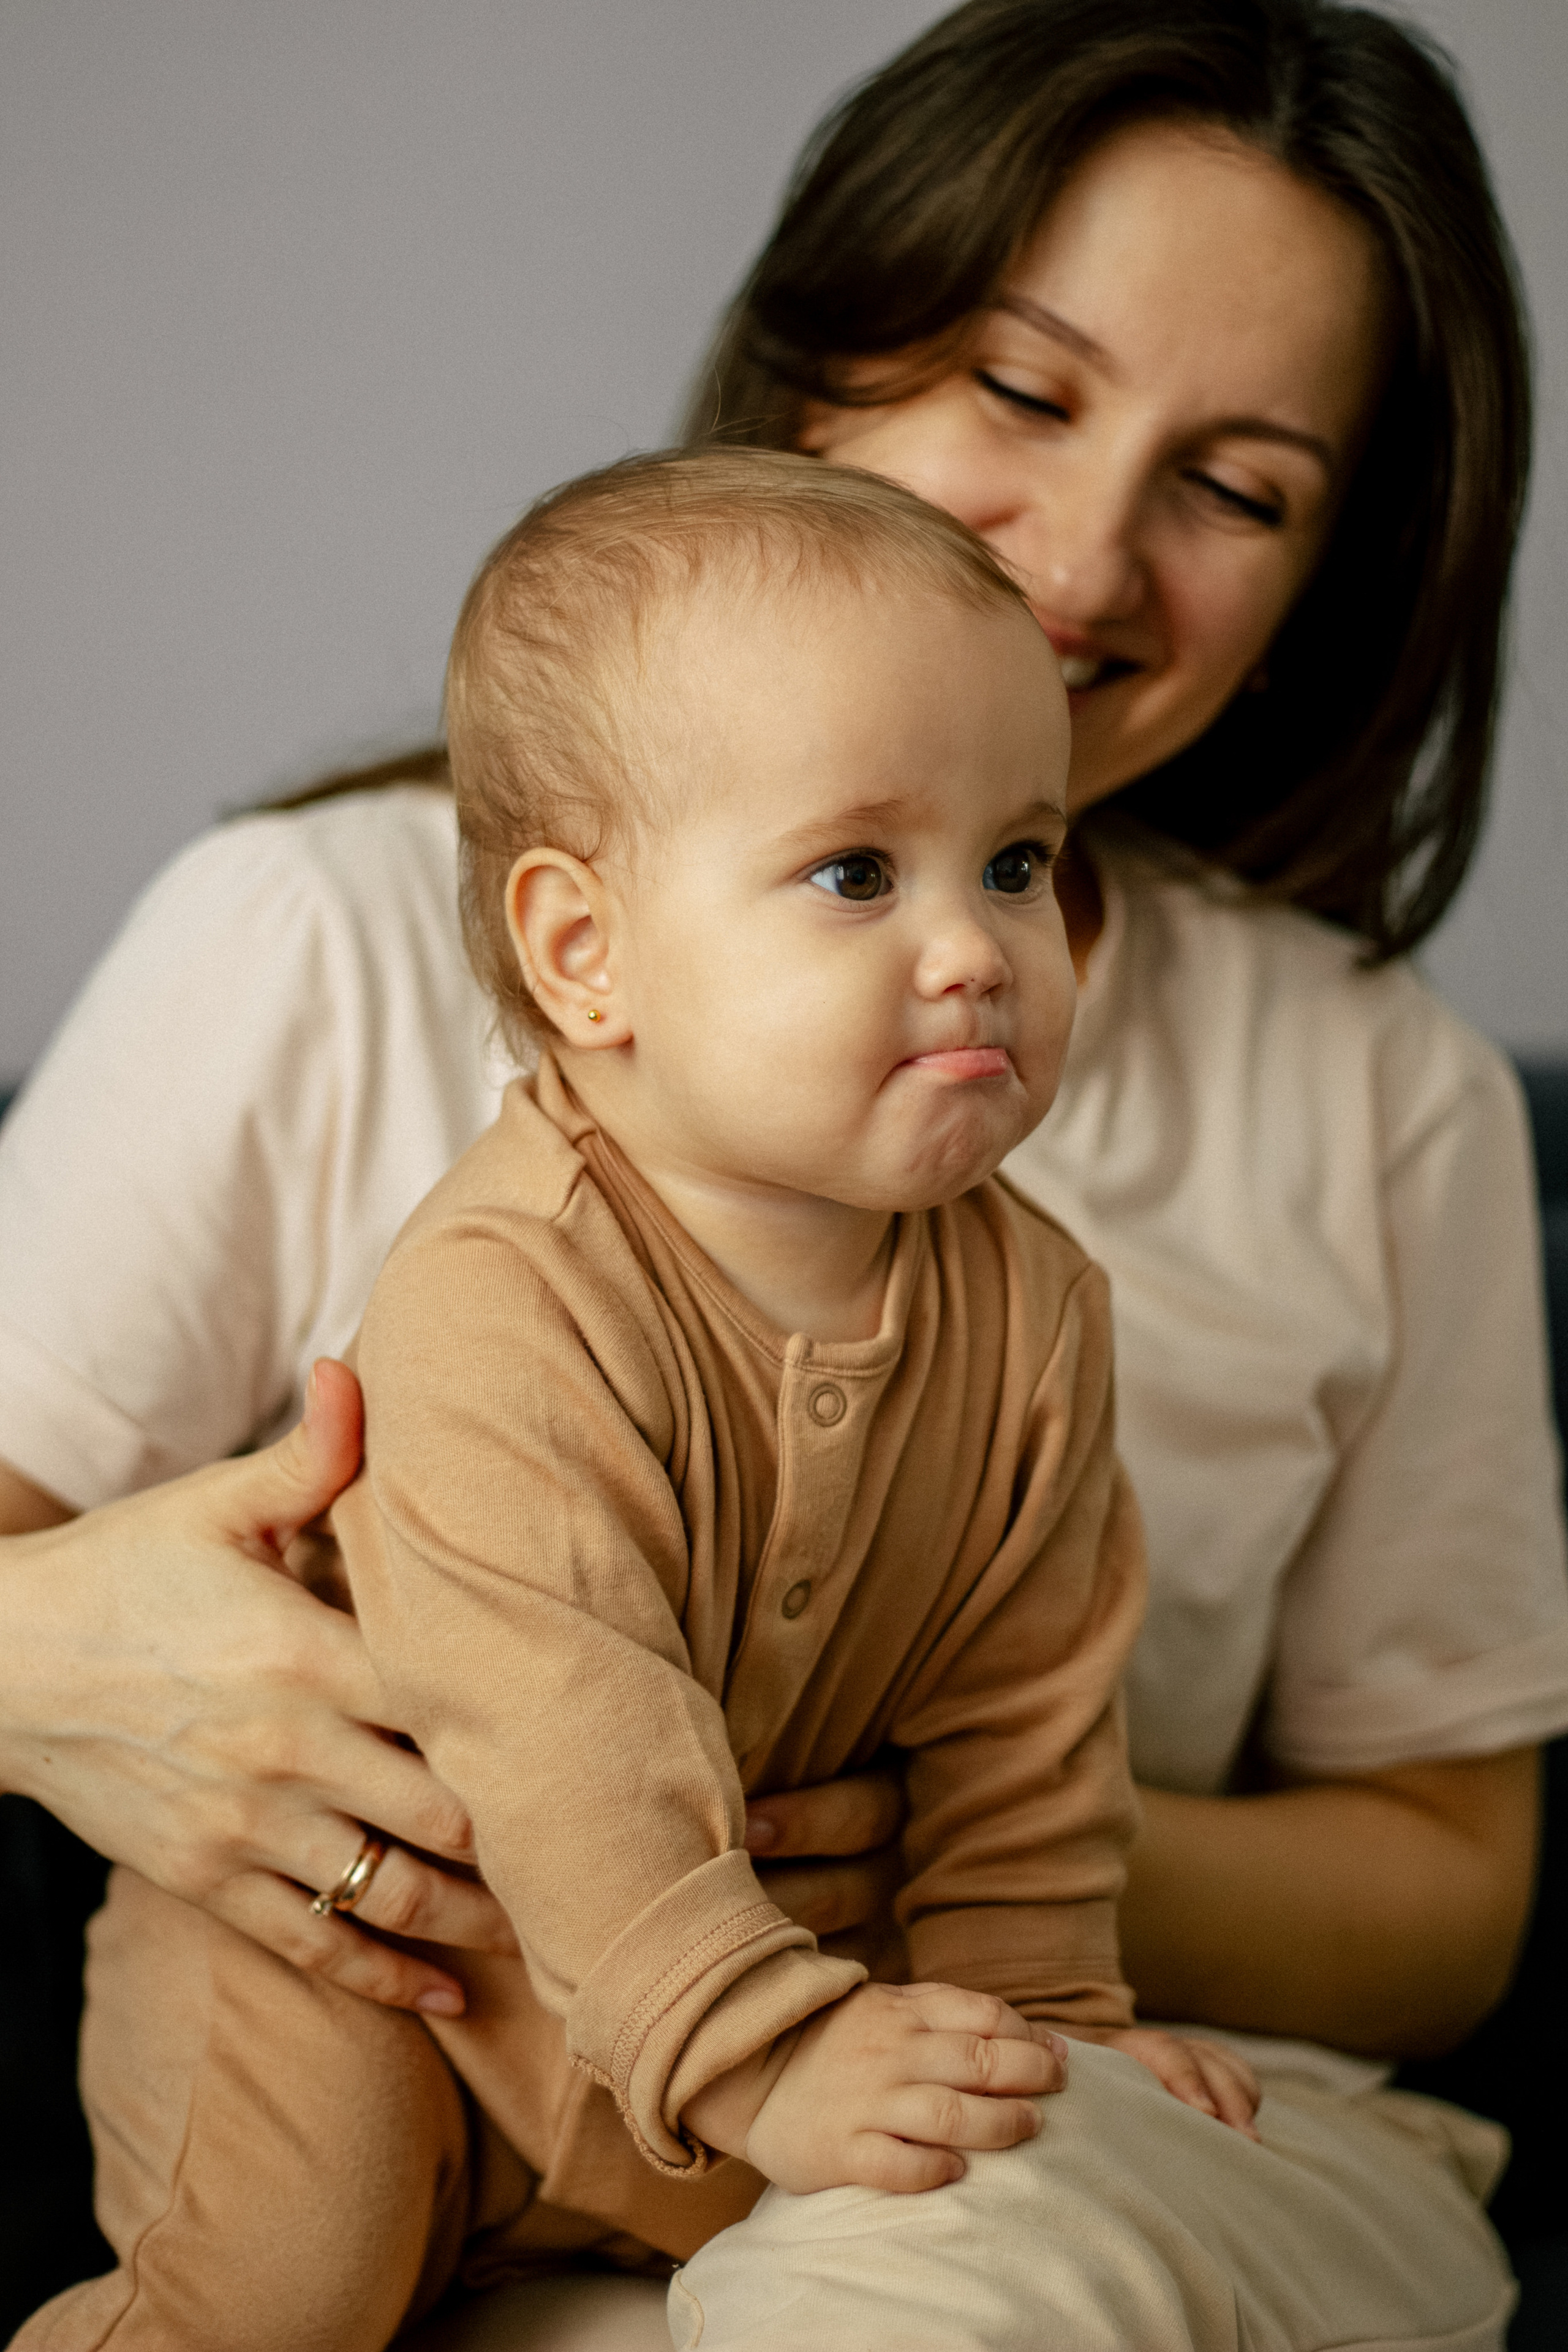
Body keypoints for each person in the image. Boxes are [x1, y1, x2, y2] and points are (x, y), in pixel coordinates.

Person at [0, 1, 1562, 2345]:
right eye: (1022, 391)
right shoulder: (338, 985)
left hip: (1039, 2143)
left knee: (909, 2274)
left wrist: (967, 1927)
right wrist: (58, 1659)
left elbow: (1415, 1875)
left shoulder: (1334, 1118)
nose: (1086, 546)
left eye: (1238, 486)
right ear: (827, 357)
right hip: (488, 2045)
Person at [23, 447, 1264, 2350]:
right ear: (584, 954)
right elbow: (563, 1728)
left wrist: (1047, 2039)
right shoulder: (503, 1298)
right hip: (364, 1964)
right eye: (858, 872)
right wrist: (769, 2061)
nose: (977, 948)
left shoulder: (1035, 1314)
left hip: (691, 2014)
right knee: (292, 2286)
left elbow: (1022, 1727)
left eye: (1019, 861)